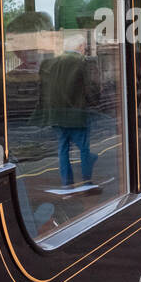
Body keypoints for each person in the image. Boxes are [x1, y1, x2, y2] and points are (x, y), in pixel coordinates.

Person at [35, 34, 101, 191]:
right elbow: (89, 89)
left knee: (63, 149)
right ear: (79, 47)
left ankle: (67, 183)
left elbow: (42, 90)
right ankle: (86, 182)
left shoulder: (50, 63)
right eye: (84, 47)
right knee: (84, 149)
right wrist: (95, 102)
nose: (85, 50)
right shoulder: (82, 62)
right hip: (76, 114)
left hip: (56, 115)